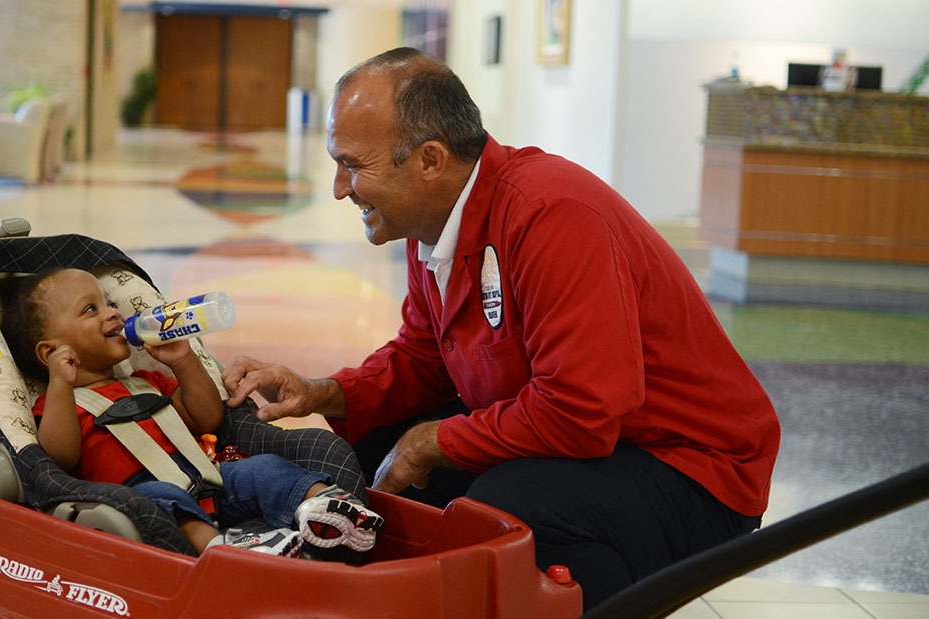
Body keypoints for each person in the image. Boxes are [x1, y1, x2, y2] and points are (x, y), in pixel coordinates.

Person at [222, 47, 780, 609]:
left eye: (354, 164)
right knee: (377, 442)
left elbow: (583, 410)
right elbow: (424, 359)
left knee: (513, 509)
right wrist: (323, 391)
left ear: (431, 160)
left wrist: (434, 440)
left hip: (691, 467)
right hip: (589, 437)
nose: (341, 188)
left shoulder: (551, 214)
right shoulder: (431, 224)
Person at [0, 267, 383, 563]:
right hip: (143, 496)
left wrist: (184, 362)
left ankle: (330, 509)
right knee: (162, 496)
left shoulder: (146, 381)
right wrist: (61, 385)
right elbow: (60, 456)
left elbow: (207, 419)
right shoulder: (58, 404)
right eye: (91, 309)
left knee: (264, 467)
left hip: (211, 478)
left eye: (109, 303)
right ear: (48, 352)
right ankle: (221, 551)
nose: (113, 314)